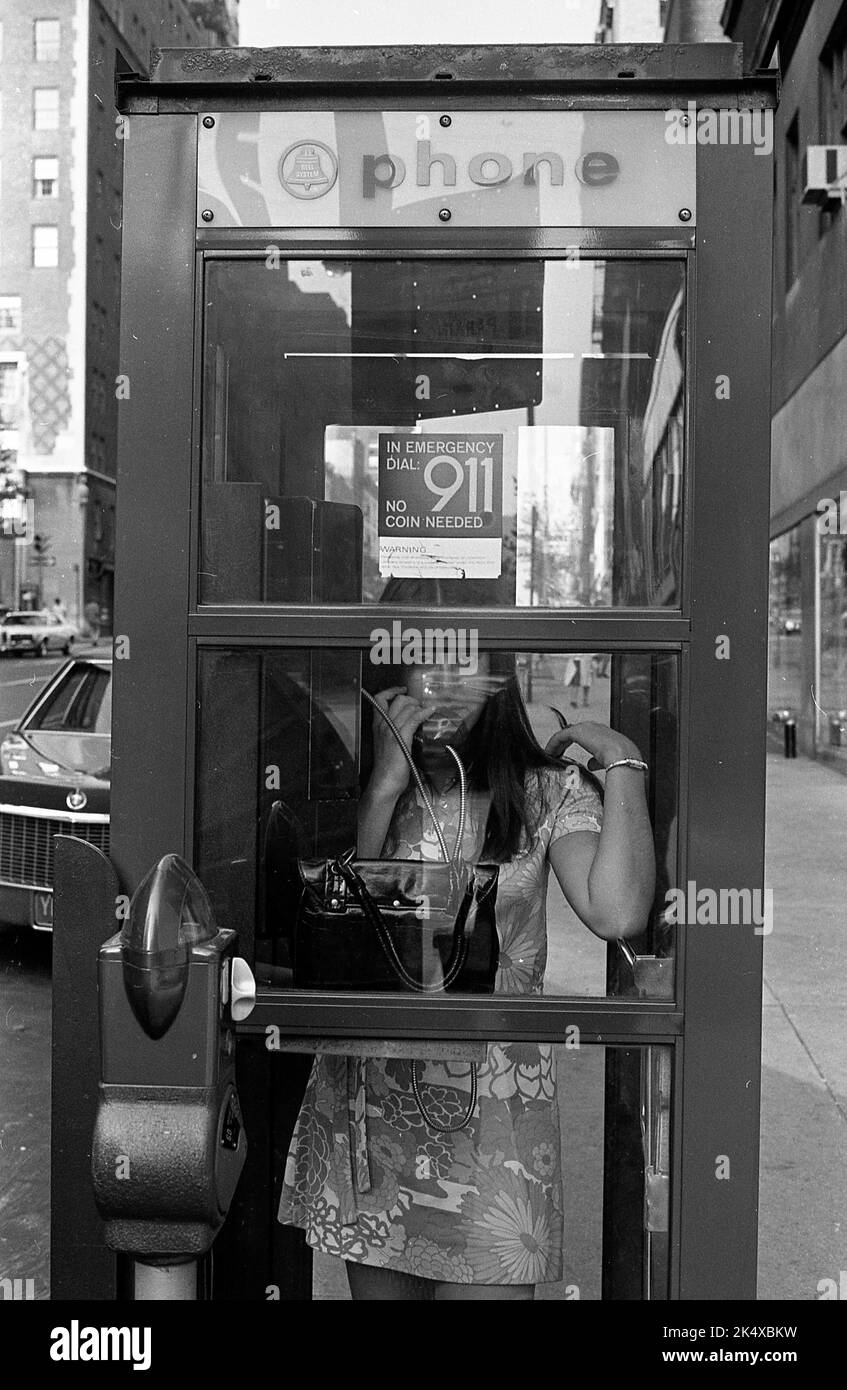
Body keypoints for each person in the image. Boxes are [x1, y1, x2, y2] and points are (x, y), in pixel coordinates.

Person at [278, 648, 655, 1300]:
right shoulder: (374, 783)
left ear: (497, 676)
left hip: (498, 1113)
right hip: (377, 1103)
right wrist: (385, 786)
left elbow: (616, 910)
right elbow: (354, 927)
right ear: (393, 680)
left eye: (462, 662)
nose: (442, 686)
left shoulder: (543, 792)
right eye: (421, 663)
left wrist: (620, 764)